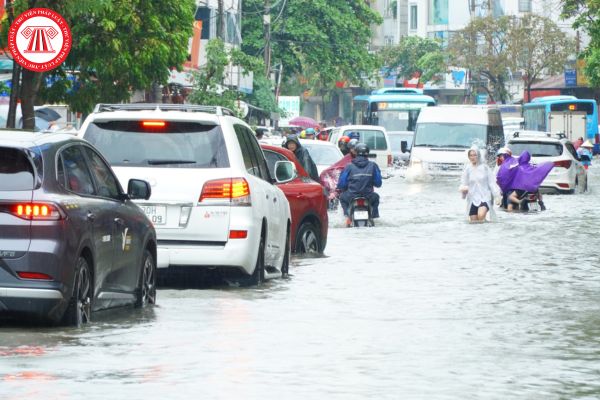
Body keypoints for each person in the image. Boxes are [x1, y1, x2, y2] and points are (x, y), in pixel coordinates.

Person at [337, 143, 382, 227]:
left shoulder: (348, 166)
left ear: (355, 153)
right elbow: (378, 183)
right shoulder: (373, 166)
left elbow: (341, 184)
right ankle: (373, 217)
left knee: (342, 197)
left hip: (351, 196)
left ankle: (347, 217)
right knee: (376, 198)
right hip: (368, 196)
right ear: (367, 154)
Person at [460, 146, 500, 222]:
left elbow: (492, 183)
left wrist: (497, 196)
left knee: (481, 216)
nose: (472, 157)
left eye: (474, 155)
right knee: (473, 222)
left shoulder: (485, 168)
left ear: (478, 155)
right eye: (470, 155)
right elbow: (464, 183)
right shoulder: (468, 169)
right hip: (473, 198)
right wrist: (463, 192)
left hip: (485, 197)